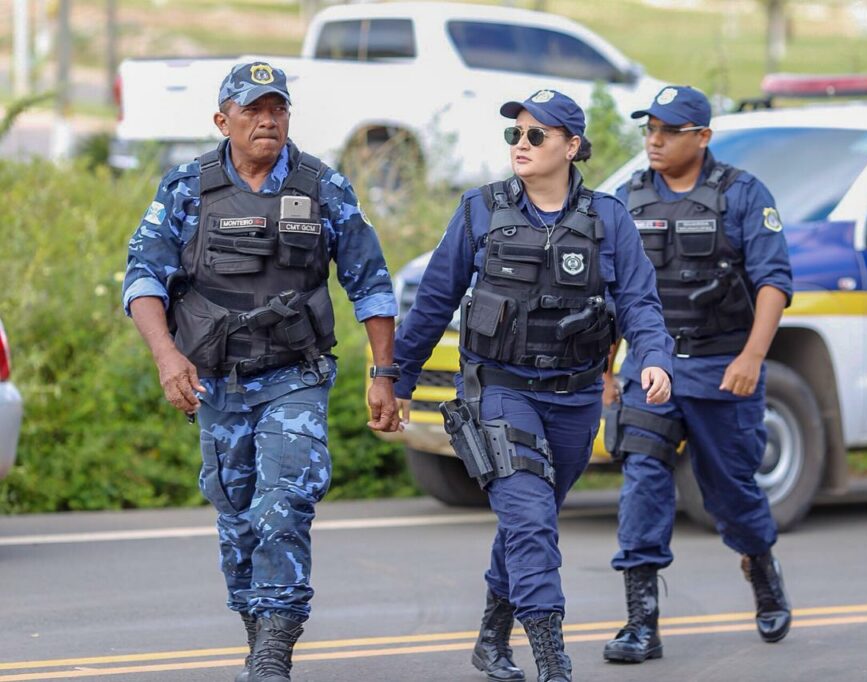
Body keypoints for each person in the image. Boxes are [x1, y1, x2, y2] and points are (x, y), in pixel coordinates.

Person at [121, 61, 400, 682]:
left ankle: (275, 649)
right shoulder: (186, 188)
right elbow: (143, 277)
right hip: (216, 381)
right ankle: (258, 635)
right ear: (223, 120)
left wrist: (384, 372)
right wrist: (168, 356)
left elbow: (372, 283)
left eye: (277, 108)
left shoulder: (322, 186)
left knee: (284, 504)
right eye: (252, 109)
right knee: (236, 516)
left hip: (294, 375)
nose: (267, 119)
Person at [393, 90, 673, 682]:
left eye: (536, 135)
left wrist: (653, 358)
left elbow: (641, 301)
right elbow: (433, 301)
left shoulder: (609, 219)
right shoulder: (479, 210)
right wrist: (397, 380)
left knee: (531, 520)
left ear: (571, 147)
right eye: (515, 135)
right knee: (530, 521)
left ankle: (492, 636)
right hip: (499, 390)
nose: (521, 145)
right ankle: (553, 662)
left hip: (573, 399)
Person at [602, 85, 794, 663]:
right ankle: (642, 623)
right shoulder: (626, 198)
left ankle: (760, 565)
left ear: (702, 136)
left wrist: (752, 358)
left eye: (667, 130)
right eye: (648, 129)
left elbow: (773, 283)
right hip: (651, 369)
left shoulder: (741, 194)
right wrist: (605, 368)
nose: (653, 140)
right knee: (643, 482)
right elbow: (611, 291)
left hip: (722, 368)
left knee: (731, 494)